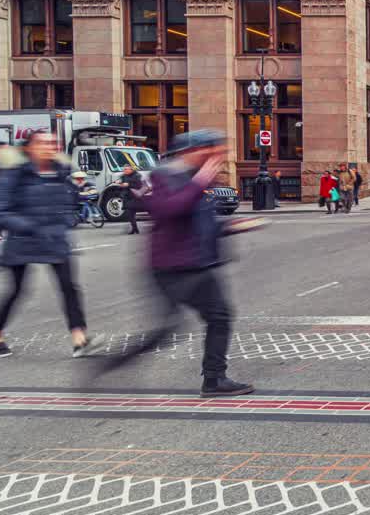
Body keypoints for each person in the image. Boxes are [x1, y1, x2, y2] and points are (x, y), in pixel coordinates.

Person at [100, 130, 254, 397]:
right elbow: (169, 210)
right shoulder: (165, 175)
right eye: (211, 151)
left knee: (218, 317)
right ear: (191, 152)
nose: (217, 157)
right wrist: (202, 178)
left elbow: (200, 221)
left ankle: (215, 379)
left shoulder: (193, 179)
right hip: (172, 267)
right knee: (167, 330)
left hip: (197, 263)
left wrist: (231, 226)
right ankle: (111, 365)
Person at [0, 131, 96, 359]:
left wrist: (67, 220)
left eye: (53, 143)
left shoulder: (60, 171)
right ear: (29, 148)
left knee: (69, 288)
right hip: (22, 240)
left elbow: (69, 200)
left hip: (54, 238)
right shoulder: (14, 174)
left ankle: (79, 337)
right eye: (43, 143)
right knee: (16, 290)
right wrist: (28, 226)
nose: (49, 146)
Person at [115, 165, 146, 234]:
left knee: (131, 212)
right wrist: (119, 184)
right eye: (124, 169)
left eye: (126, 169)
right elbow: (122, 185)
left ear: (131, 170)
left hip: (136, 197)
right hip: (127, 197)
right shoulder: (123, 176)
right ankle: (135, 229)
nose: (124, 171)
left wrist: (128, 184)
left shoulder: (137, 175)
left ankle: (135, 229)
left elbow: (139, 186)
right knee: (130, 214)